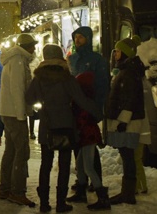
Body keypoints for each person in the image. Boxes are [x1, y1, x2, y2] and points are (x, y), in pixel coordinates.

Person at [25, 44, 102, 213]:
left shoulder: (39, 78)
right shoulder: (67, 77)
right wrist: (98, 112)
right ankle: (61, 203)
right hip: (66, 125)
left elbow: (29, 98)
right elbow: (81, 99)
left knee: (45, 164)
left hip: (47, 125)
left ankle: (44, 203)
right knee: (64, 165)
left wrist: (42, 104)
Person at [67, 26, 109, 194]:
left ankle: (95, 179)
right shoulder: (72, 58)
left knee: (89, 146)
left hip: (89, 108)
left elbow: (102, 85)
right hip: (75, 109)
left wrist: (97, 107)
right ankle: (81, 179)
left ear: (88, 39)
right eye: (76, 37)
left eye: (81, 37)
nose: (77, 40)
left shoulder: (97, 60)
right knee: (78, 145)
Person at [0, 33, 38, 207]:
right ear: (27, 46)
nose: (34, 48)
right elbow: (17, 89)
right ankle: (17, 191)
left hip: (9, 112)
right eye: (33, 45)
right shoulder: (18, 60)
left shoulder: (14, 58)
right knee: (22, 152)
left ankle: (5, 188)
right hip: (14, 113)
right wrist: (22, 114)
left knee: (11, 151)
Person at [106, 35, 145, 205]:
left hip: (128, 122)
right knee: (127, 156)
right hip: (128, 120)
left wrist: (123, 120)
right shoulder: (127, 70)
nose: (115, 54)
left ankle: (128, 193)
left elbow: (129, 99)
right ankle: (128, 192)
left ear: (125, 53)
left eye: (118, 51)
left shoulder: (128, 72)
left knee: (128, 156)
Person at [71, 71, 110, 210]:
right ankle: (81, 193)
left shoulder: (83, 101)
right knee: (81, 165)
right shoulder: (88, 99)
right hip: (87, 135)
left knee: (88, 166)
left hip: (87, 136)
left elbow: (83, 120)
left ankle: (103, 197)